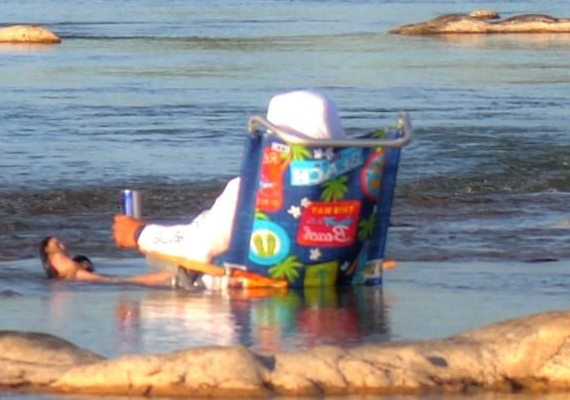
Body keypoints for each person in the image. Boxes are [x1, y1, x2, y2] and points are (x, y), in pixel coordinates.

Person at [40, 90, 343, 284]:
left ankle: (82, 278)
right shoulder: (351, 187)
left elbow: (200, 247)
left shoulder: (258, 187)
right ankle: (85, 277)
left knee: (189, 273)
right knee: (192, 266)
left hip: (255, 295)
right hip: (327, 285)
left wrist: (139, 234)